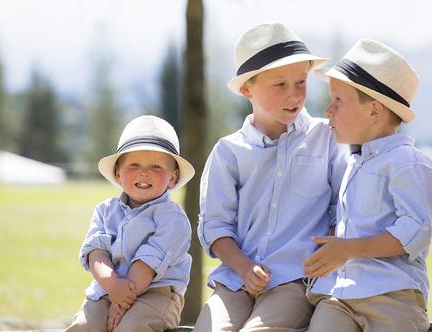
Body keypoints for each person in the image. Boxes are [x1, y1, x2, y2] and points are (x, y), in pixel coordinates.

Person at [194, 22, 347, 331]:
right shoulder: (228, 152)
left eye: (301, 82)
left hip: (294, 281)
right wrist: (244, 267)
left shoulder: (326, 138)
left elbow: (340, 208)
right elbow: (215, 226)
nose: (294, 95)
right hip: (234, 281)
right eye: (280, 85)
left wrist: (324, 259)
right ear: (247, 89)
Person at [303, 39, 432, 332]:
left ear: (374, 112)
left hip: (392, 296)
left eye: (338, 101)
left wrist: (347, 249)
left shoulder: (408, 163)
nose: (328, 110)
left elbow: (414, 232)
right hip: (339, 296)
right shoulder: (352, 161)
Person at [65, 115, 195, 332]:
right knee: (83, 327)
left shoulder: (172, 217)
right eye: (134, 165)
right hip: (107, 288)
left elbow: (148, 261)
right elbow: (96, 252)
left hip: (157, 294)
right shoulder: (106, 210)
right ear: (117, 174)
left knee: (132, 328)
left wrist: (122, 300)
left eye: (156, 166)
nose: (144, 172)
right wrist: (112, 285)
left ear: (172, 178)